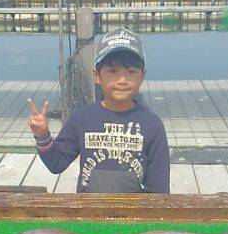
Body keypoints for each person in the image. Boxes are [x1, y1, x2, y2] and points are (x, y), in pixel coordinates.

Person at [27, 27, 170, 193]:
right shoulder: (82, 117)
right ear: (97, 76)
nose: (122, 80)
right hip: (89, 207)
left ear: (142, 76)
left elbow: (160, 187)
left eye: (131, 72)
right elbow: (56, 163)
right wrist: (42, 136)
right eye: (113, 71)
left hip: (134, 208)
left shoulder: (152, 124)